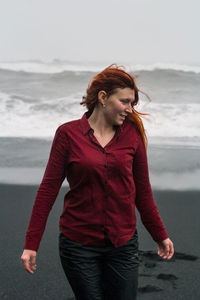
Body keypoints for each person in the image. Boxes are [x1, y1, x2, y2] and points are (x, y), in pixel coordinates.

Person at [21, 64, 174, 300]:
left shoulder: (132, 135)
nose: (129, 109)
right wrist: (31, 244)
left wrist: (160, 234)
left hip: (122, 244)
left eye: (133, 103)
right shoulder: (68, 134)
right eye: (124, 101)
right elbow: (48, 190)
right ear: (103, 97)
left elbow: (142, 192)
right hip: (78, 245)